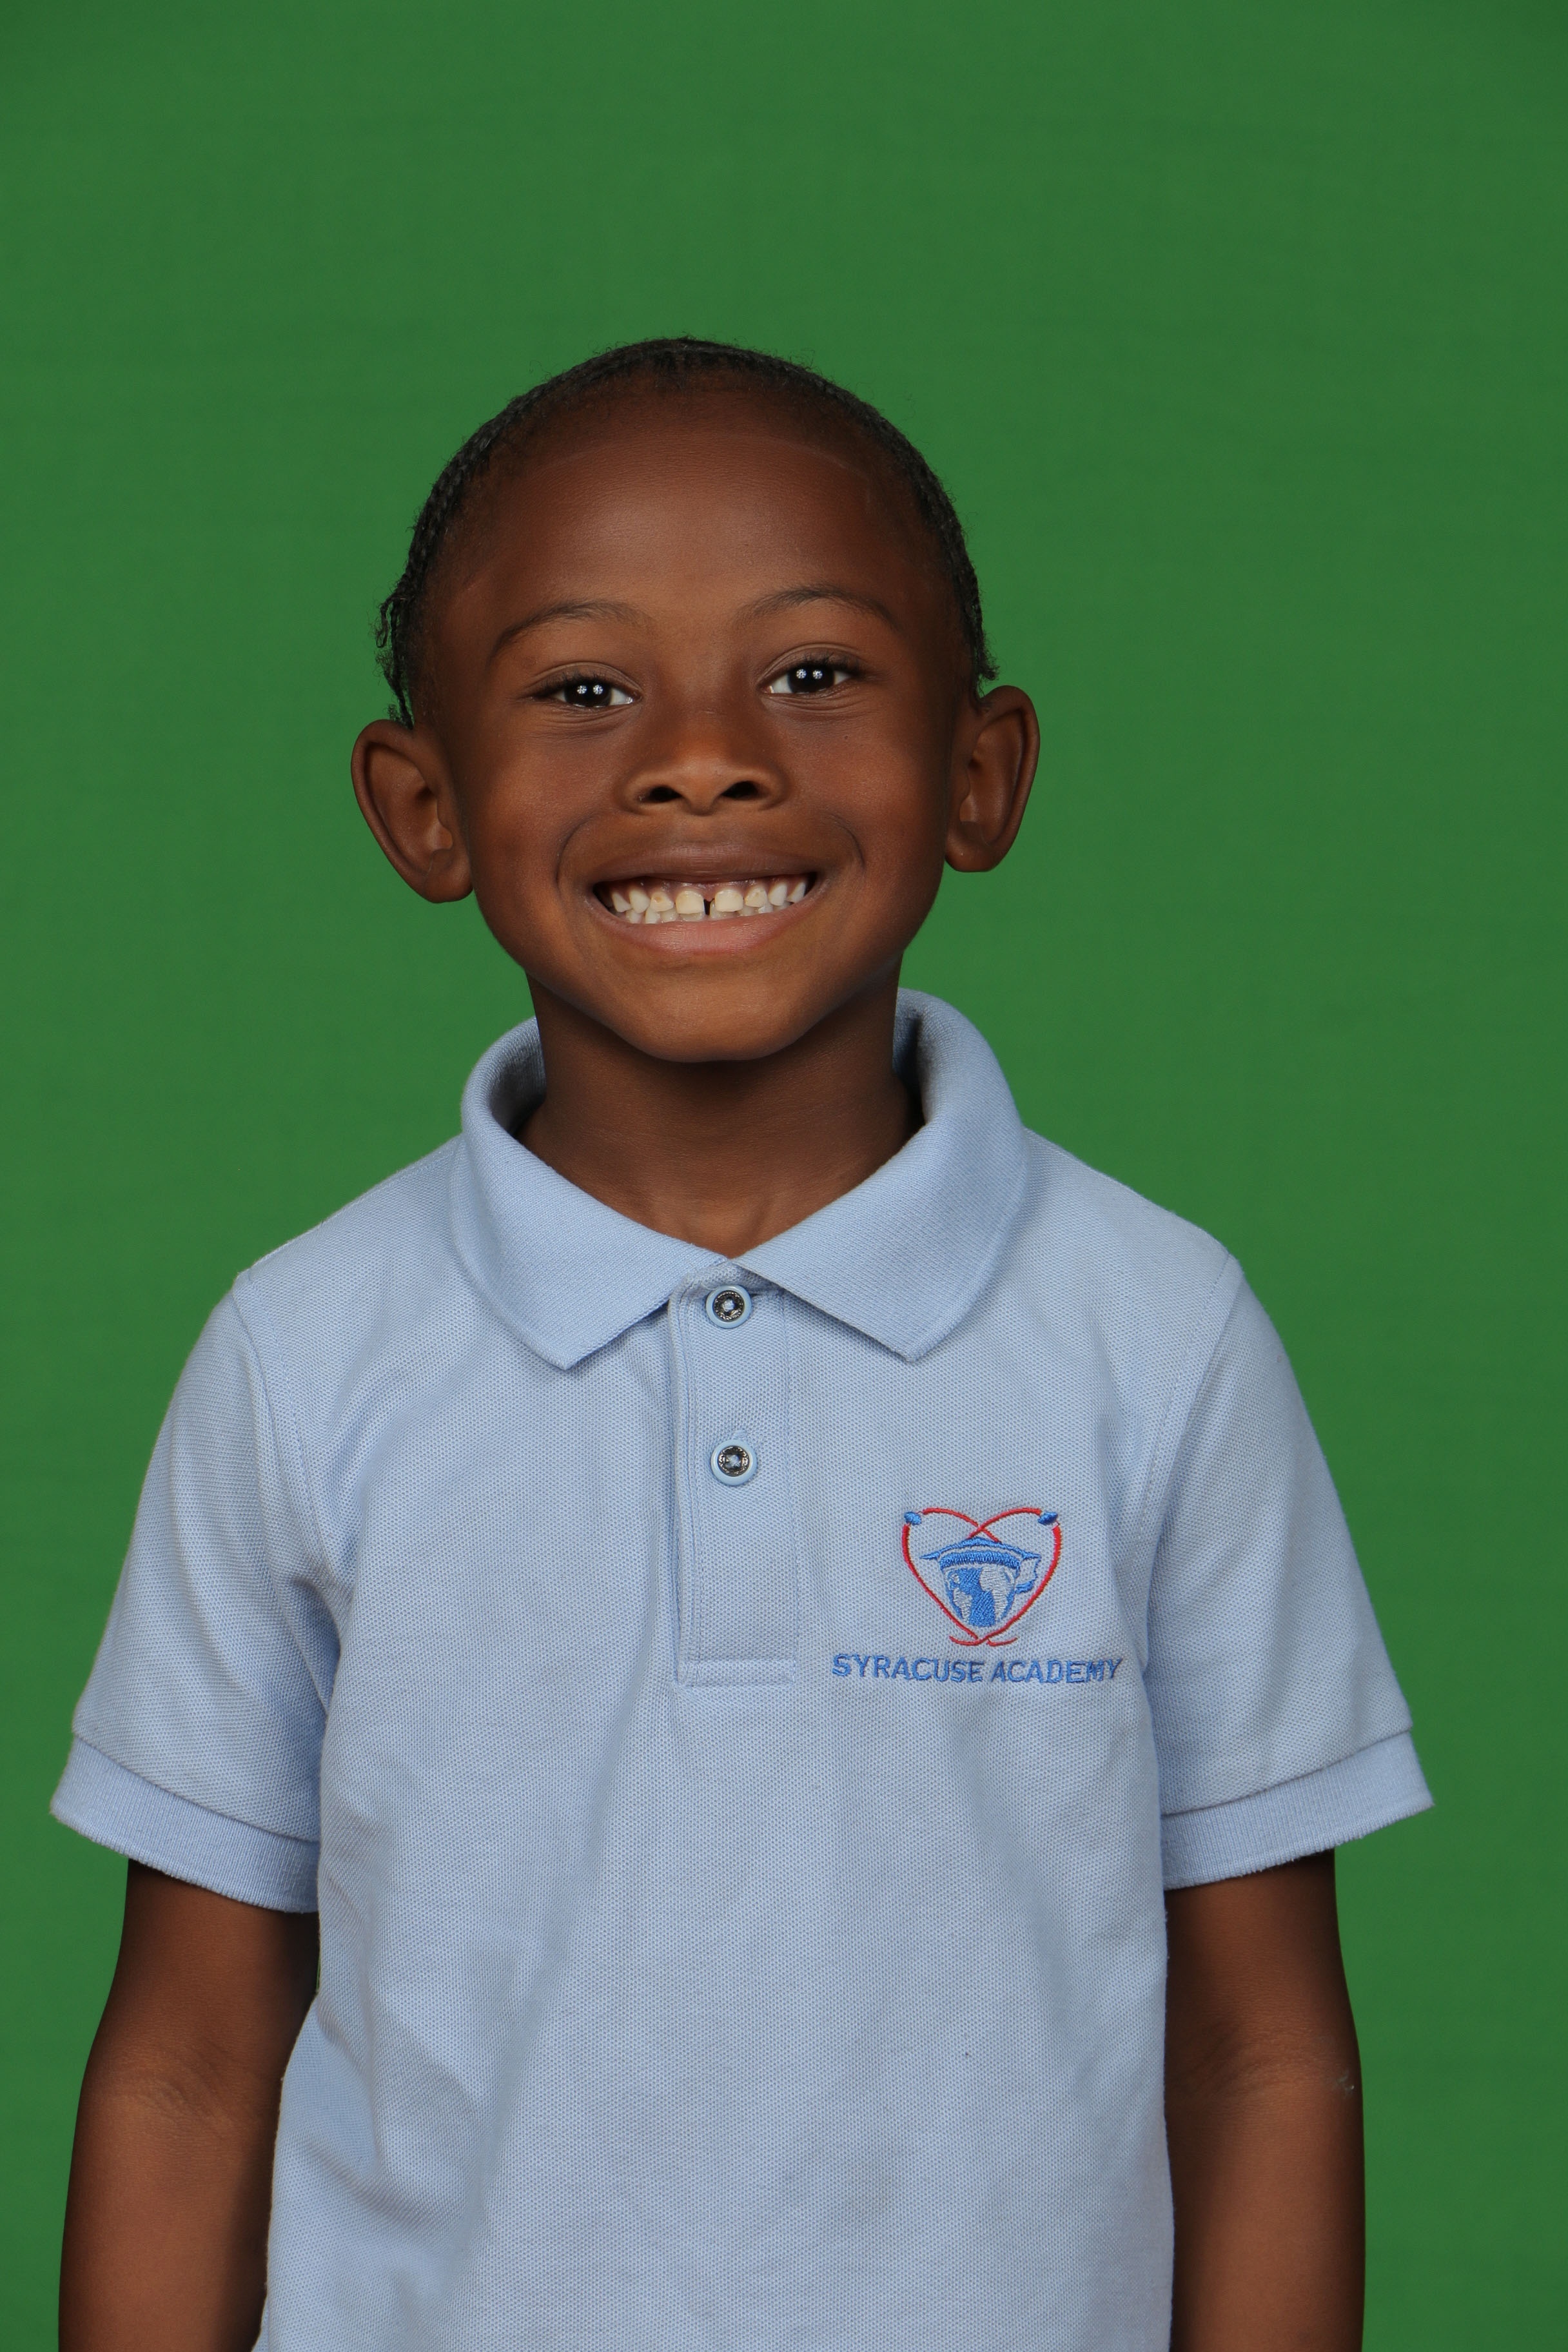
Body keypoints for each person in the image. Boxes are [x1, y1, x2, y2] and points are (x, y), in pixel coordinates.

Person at [53, 337, 1431, 2352]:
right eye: (582, 690)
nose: (702, 760)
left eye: (812, 672)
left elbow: (1263, 2055)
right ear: (423, 809)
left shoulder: (1156, 1336)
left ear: (981, 773)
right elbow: (187, 2068)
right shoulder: (308, 1351)